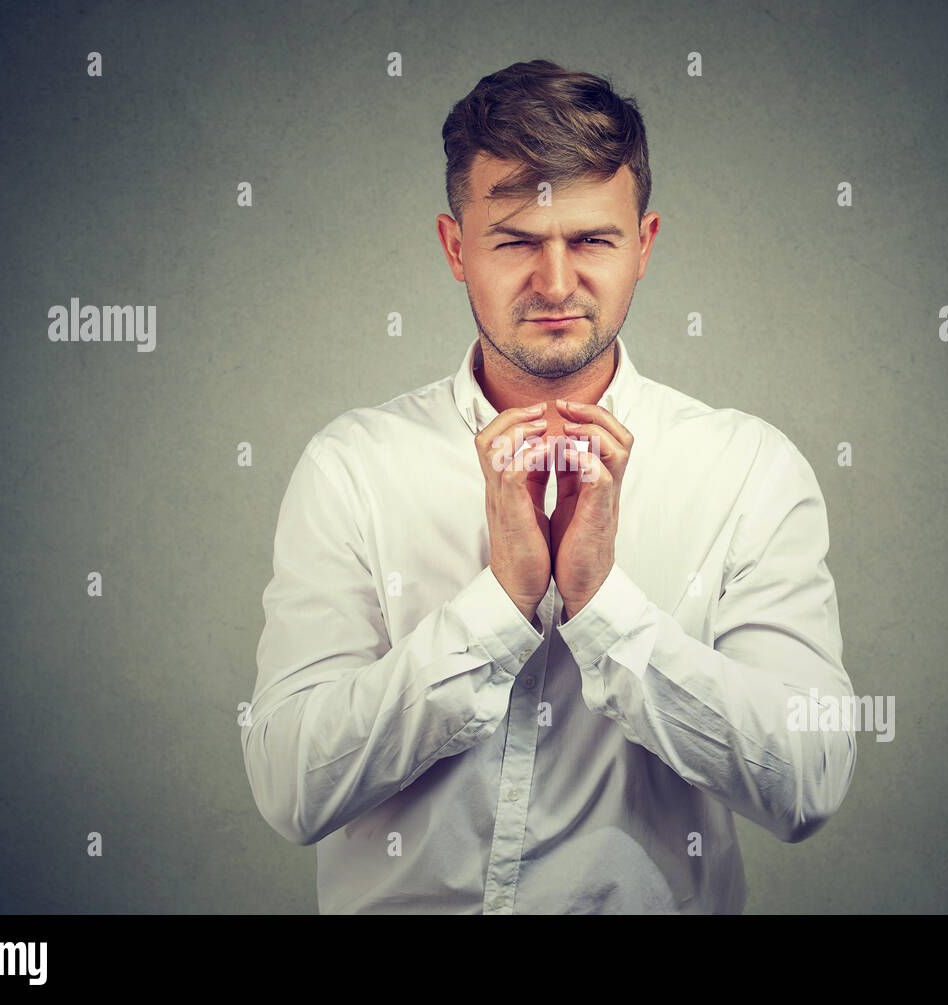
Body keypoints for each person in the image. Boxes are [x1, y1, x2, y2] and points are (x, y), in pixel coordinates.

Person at [242, 59, 857, 914]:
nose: (558, 282)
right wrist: (497, 607)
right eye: (518, 240)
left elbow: (809, 778)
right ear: (458, 249)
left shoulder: (749, 471)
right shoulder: (352, 467)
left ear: (642, 246)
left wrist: (605, 606)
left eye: (593, 240)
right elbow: (289, 784)